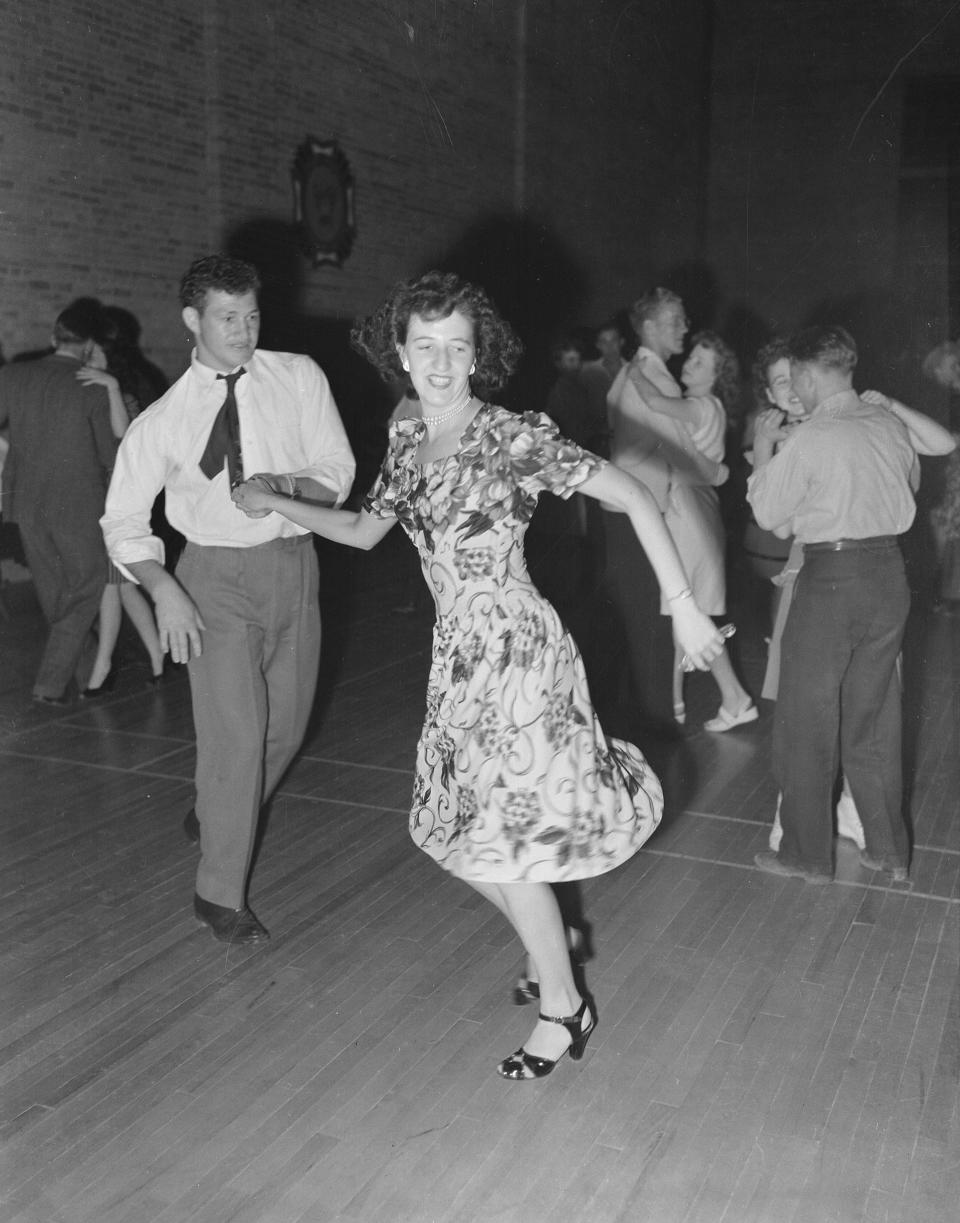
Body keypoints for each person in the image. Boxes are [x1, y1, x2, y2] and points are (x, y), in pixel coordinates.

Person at [231, 271, 727, 1079]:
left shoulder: (508, 435)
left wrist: (685, 604)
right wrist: (274, 500)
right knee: (449, 834)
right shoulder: (404, 439)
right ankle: (553, 939)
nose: (439, 362)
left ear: (476, 355)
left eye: (456, 348)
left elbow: (633, 492)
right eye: (424, 346)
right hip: (457, 653)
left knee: (498, 846)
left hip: (518, 650)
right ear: (399, 350)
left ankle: (564, 1008)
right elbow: (362, 531)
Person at [101, 254, 356, 944]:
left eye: (251, 316)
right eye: (226, 318)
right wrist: (164, 589)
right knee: (236, 737)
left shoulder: (298, 377)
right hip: (210, 579)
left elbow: (338, 468)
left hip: (295, 565)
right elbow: (122, 522)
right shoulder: (164, 418)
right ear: (192, 320)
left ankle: (217, 807)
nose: (243, 330)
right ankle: (218, 894)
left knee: (288, 729)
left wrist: (280, 489)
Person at [747, 325, 955, 884]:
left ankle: (805, 855)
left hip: (832, 580)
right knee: (876, 718)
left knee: (807, 721)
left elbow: (768, 514)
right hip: (890, 578)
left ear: (811, 377)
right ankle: (887, 849)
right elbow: (913, 476)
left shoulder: (814, 434)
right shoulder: (886, 424)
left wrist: (763, 451)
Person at [601, 289, 727, 730]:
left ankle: (639, 723)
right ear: (650, 327)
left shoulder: (633, 373)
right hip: (641, 512)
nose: (684, 328)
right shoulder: (655, 381)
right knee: (652, 629)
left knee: (639, 623)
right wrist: (723, 474)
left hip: (626, 509)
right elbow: (684, 456)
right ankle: (655, 731)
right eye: (675, 321)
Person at [628, 330, 755, 730]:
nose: (689, 365)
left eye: (701, 363)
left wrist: (633, 368)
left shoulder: (700, 405)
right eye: (691, 359)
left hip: (687, 507)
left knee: (678, 609)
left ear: (717, 375)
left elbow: (651, 400)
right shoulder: (712, 407)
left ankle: (674, 708)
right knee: (693, 611)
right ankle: (735, 699)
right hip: (702, 507)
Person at [0, 298, 117, 703]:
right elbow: (112, 455)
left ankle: (84, 675)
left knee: (54, 590)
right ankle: (50, 683)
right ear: (88, 345)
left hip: (26, 501)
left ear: (53, 337)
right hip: (80, 504)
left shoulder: (12, 374)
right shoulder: (93, 386)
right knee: (87, 585)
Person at [75, 339, 164, 694]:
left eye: (95, 352)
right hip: (99, 497)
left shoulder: (123, 391)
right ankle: (157, 659)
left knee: (114, 585)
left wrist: (110, 386)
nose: (88, 358)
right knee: (122, 587)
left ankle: (104, 665)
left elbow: (123, 434)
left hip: (123, 500)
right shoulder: (90, 390)